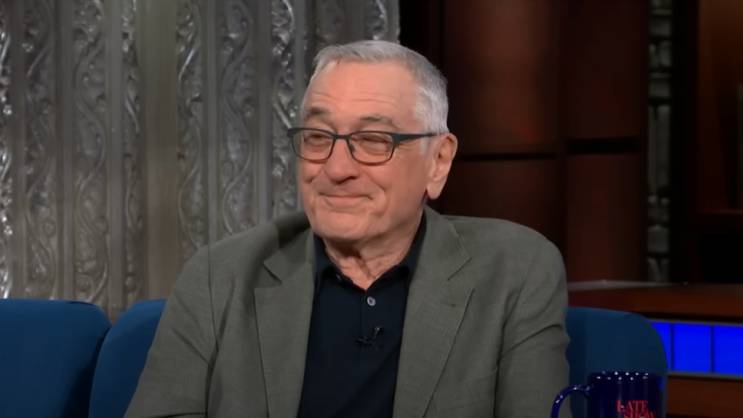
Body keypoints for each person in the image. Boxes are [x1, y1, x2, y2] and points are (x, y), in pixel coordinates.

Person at [126, 40, 569, 418]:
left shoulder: (514, 272)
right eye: (319, 137)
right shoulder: (219, 277)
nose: (336, 169)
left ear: (438, 162)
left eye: (373, 141)